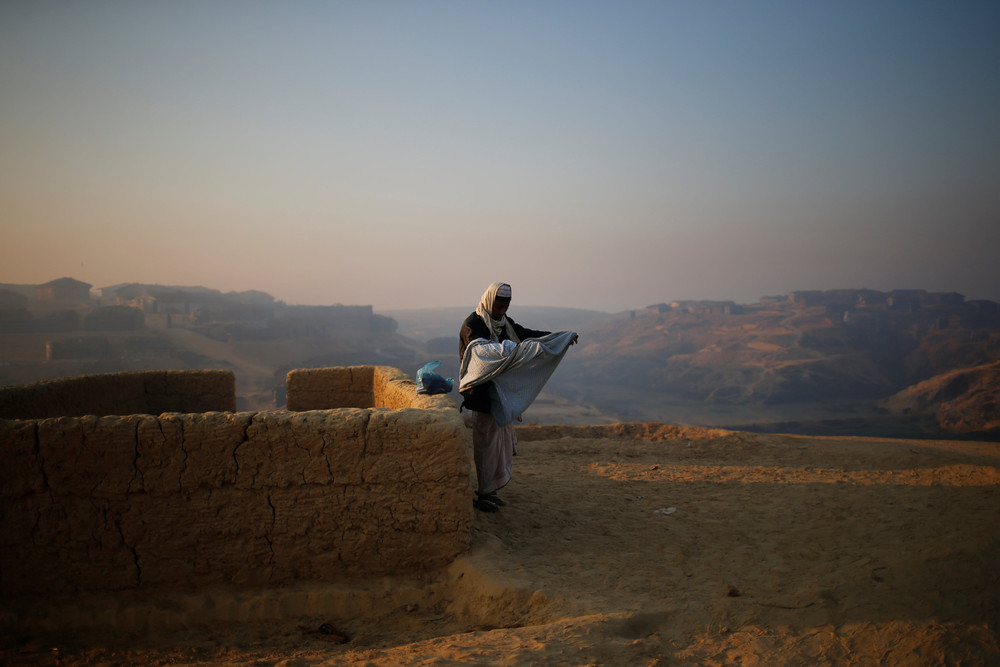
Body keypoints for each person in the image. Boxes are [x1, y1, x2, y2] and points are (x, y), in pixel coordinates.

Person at [459, 282, 578, 512]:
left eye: (506, 306)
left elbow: (525, 336)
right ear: (489, 301)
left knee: (498, 446)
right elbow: (482, 353)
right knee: (486, 445)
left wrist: (560, 338)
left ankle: (490, 491)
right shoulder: (473, 324)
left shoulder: (505, 324)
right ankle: (484, 494)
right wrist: (512, 351)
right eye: (499, 305)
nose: (502, 311)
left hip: (499, 394)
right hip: (481, 395)